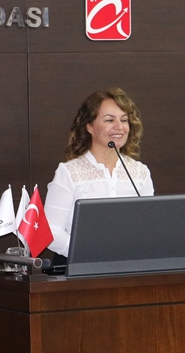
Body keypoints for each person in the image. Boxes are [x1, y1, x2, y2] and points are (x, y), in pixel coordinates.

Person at [45, 88, 155, 256]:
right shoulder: (69, 172)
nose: (119, 127)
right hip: (81, 267)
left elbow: (149, 227)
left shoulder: (140, 173)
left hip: (130, 265)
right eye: (109, 120)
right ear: (89, 126)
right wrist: (87, 252)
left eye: (124, 120)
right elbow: (50, 231)